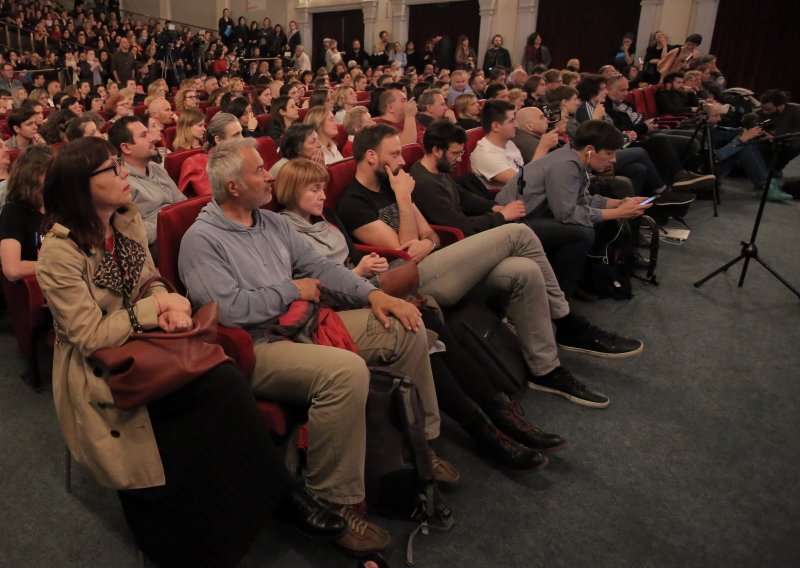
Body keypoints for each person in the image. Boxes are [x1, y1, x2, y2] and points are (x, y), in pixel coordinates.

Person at [37, 137, 344, 567]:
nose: (126, 175)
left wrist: (170, 300)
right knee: (214, 397)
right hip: (102, 373)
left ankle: (271, 496)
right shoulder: (58, 251)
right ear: (81, 186)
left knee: (224, 380)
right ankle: (276, 499)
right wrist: (153, 308)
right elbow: (88, 336)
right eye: (112, 169)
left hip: (149, 345)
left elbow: (149, 279)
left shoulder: (122, 221)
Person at [178, 137, 453, 555]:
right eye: (258, 171)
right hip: (256, 347)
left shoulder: (269, 222)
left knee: (405, 326)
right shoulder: (202, 240)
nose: (268, 175)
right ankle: (333, 500)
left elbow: (322, 267)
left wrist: (373, 295)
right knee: (345, 372)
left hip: (302, 323)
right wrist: (292, 290)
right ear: (233, 186)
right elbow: (228, 311)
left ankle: (420, 444)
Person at [276, 157, 561, 469]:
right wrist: (363, 276)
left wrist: (371, 273)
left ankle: (498, 412)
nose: (321, 195)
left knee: (430, 315)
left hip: (363, 289)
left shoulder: (325, 217)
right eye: (313, 190)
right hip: (338, 308)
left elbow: (353, 260)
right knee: (418, 326)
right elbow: (315, 288)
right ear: (292, 192)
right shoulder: (287, 231)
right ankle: (485, 428)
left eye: (322, 188)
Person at [338, 124, 644, 409]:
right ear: (371, 156)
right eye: (394, 155)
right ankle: (567, 322)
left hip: (438, 261)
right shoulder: (355, 202)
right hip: (412, 283)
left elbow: (429, 235)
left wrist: (427, 242)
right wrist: (404, 200)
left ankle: (545, 369)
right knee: (520, 232)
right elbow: (402, 255)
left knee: (524, 270)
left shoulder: (393, 184)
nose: (401, 162)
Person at [496, 120, 653, 295]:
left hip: (535, 213)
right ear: (589, 150)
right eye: (609, 153)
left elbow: (581, 199)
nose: (614, 159)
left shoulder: (573, 159)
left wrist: (619, 203)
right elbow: (567, 213)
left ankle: (582, 278)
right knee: (582, 233)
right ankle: (560, 293)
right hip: (514, 222)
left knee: (596, 220)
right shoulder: (566, 165)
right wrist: (616, 212)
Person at [108, 116, 187, 255]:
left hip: (179, 231)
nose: (153, 138)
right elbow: (136, 232)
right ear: (126, 148)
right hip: (156, 247)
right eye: (144, 135)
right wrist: (172, 220)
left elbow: (182, 202)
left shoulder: (155, 167)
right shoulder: (121, 183)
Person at [0, 146, 53, 281]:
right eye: (51, 171)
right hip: (40, 290)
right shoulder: (13, 212)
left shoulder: (59, 207)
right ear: (33, 175)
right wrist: (57, 265)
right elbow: (12, 269)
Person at [178, 112, 244, 196]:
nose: (242, 139)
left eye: (241, 133)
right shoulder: (199, 164)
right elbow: (217, 199)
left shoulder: (244, 156)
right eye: (236, 135)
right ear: (219, 140)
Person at [469, 100, 525, 192]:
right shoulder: (485, 155)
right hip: (508, 202)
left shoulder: (509, 143)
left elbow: (524, 172)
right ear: (495, 126)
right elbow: (523, 183)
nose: (516, 125)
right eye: (511, 121)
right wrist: (542, 148)